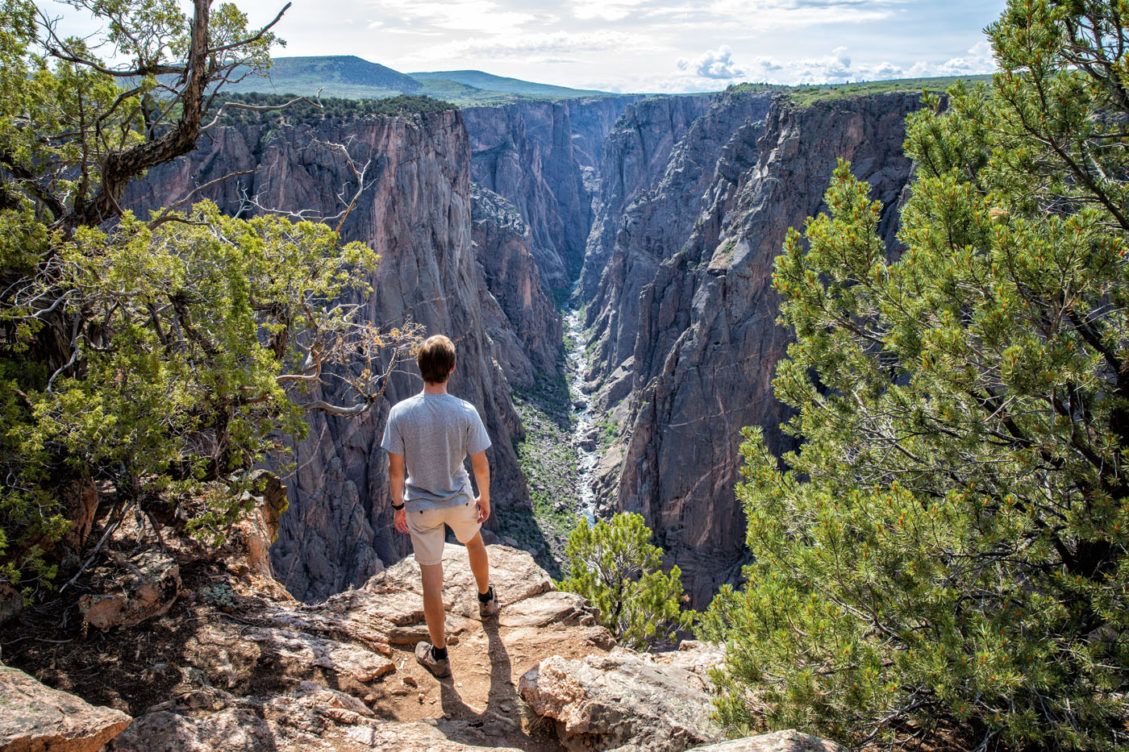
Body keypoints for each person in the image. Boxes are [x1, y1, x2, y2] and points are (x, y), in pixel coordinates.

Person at [380, 334, 499, 679]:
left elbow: (396, 470)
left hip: (420, 506)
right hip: (460, 499)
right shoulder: (465, 412)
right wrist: (484, 497)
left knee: (431, 581)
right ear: (452, 369)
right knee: (474, 542)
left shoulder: (400, 414)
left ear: (420, 370)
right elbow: (480, 464)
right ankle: (485, 600)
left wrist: (397, 506)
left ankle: (439, 654)